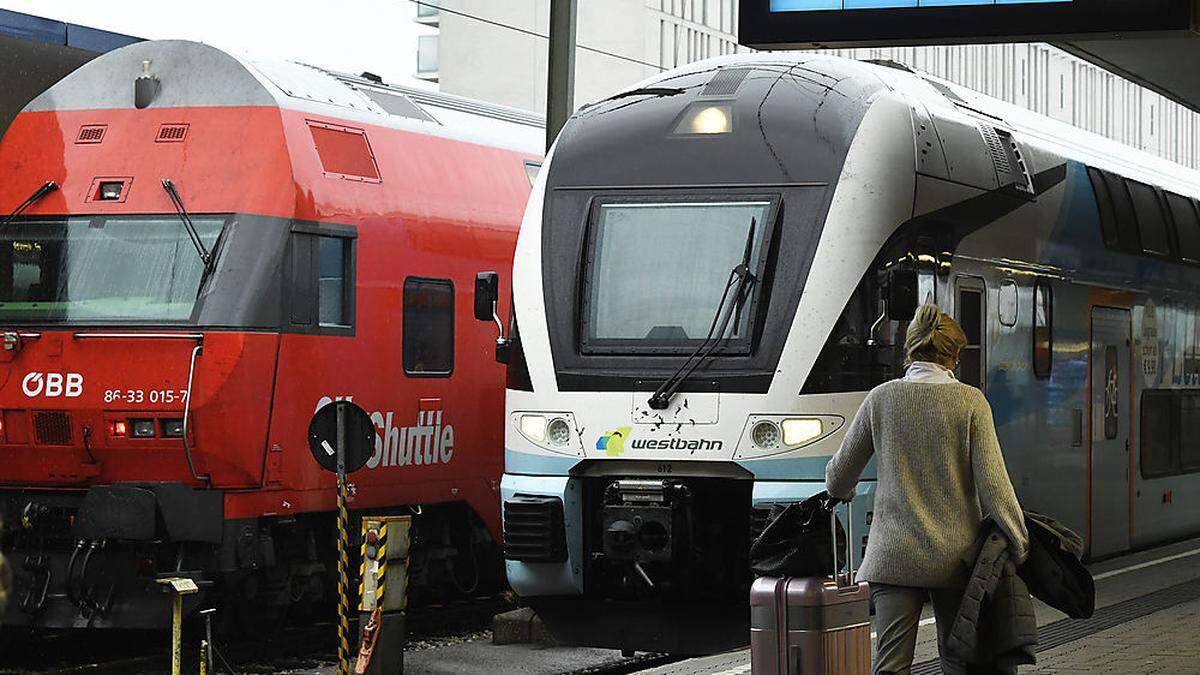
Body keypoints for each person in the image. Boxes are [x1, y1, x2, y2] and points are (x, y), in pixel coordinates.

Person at [825, 304, 1029, 675]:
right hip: (955, 558)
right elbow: (994, 486)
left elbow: (838, 476)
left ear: (911, 350)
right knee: (958, 660)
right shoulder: (970, 402)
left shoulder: (880, 399)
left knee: (891, 665)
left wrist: (845, 493)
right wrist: (1018, 540)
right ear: (954, 355)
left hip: (893, 557)